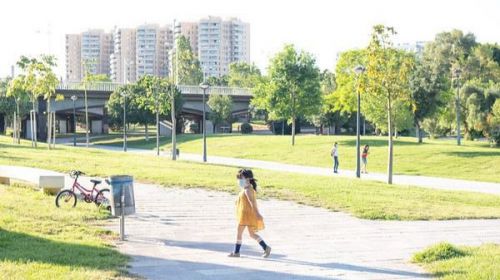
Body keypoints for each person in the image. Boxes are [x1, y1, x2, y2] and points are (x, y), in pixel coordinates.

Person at [228, 169, 271, 258]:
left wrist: (257, 213)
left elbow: (252, 202)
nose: (239, 180)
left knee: (239, 233)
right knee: (252, 234)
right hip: (248, 215)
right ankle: (265, 247)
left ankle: (236, 252)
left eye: (241, 178)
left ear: (248, 179)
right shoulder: (246, 189)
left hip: (245, 216)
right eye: (239, 178)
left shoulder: (247, 190)